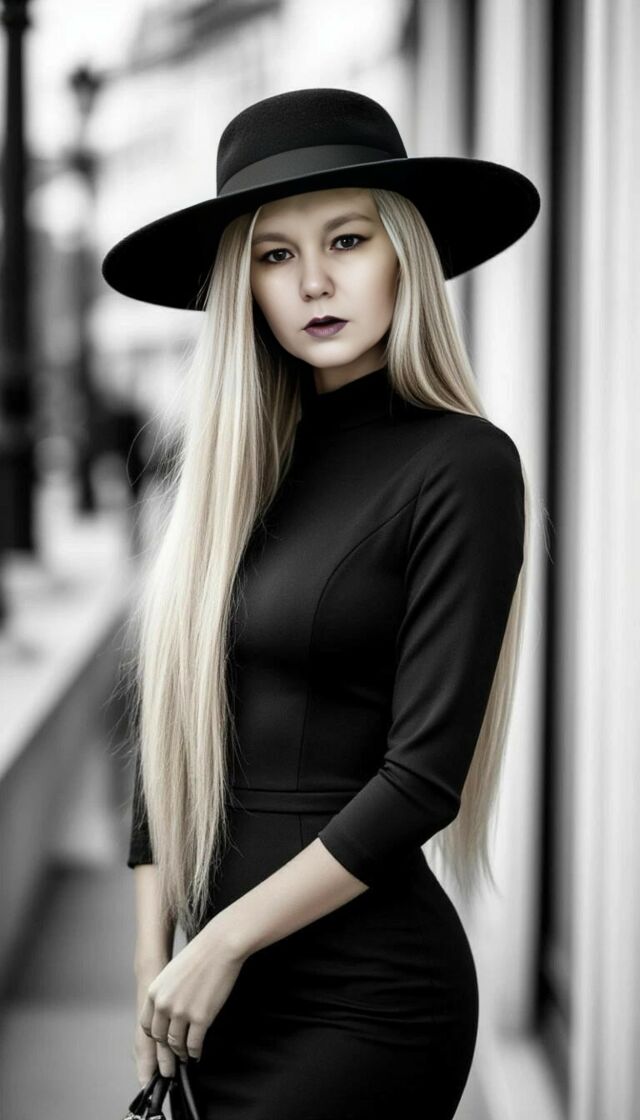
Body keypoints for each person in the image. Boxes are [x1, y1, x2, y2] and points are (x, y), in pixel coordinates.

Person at [102, 87, 540, 1120]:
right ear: (244, 284)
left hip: (363, 1003)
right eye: (274, 254)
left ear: (402, 255)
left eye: (346, 239)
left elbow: (422, 778)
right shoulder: (229, 478)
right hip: (206, 1004)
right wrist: (154, 963)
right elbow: (167, 731)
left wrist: (220, 942)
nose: (312, 282)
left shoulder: (462, 465)